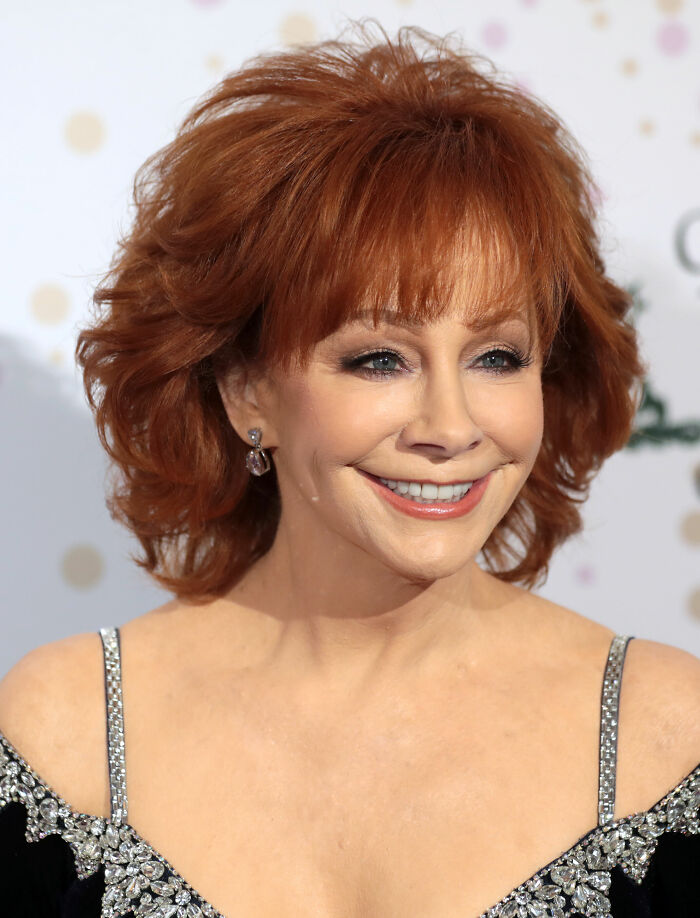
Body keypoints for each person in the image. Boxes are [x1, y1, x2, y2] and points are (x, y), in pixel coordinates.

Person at [0, 20, 698, 918]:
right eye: (378, 359)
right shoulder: (70, 738)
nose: (451, 427)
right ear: (244, 389)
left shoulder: (661, 737)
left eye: (496, 358)